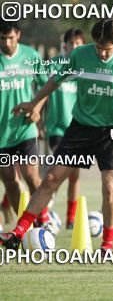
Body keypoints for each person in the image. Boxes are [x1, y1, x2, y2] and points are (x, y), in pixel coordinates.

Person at [0, 19, 113, 252]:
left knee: (109, 186)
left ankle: (107, 246)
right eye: (98, 48)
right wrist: (35, 102)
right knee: (51, 178)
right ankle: (18, 232)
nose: (102, 53)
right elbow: (55, 81)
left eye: (108, 49)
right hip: (80, 127)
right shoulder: (81, 55)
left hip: (112, 131)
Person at [0, 19, 50, 228]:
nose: (7, 43)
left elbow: (46, 86)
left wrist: (37, 109)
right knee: (10, 182)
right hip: (2, 136)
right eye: (2, 39)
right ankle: (24, 226)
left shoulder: (31, 56)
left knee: (32, 177)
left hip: (24, 130)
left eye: (10, 38)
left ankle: (44, 221)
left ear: (18, 35)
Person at [45, 28, 85, 229]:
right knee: (60, 169)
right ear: (65, 46)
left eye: (79, 43)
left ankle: (70, 218)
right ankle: (47, 201)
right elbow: (43, 92)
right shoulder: (54, 65)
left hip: (78, 129)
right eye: (72, 43)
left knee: (74, 174)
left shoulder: (85, 68)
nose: (75, 47)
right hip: (57, 129)